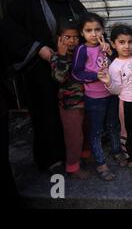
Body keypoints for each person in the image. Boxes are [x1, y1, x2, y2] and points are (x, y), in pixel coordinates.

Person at [1, 0, 86, 171]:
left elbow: (85, 21)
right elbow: (9, 29)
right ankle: (51, 158)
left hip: (68, 67)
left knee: (70, 110)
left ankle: (72, 156)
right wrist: (38, 49)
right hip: (40, 70)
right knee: (47, 112)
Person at [72, 12, 123, 181]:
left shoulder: (106, 45)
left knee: (113, 124)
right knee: (96, 130)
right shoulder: (82, 49)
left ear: (102, 30)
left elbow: (116, 64)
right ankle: (101, 163)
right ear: (82, 33)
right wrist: (95, 76)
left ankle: (117, 152)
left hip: (111, 92)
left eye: (97, 29)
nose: (94, 34)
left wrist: (110, 52)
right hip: (94, 98)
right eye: (88, 30)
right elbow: (76, 73)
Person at [98, 24, 132, 178]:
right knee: (127, 134)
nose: (127, 46)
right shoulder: (114, 66)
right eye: (122, 42)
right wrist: (108, 82)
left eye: (130, 42)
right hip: (128, 104)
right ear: (113, 43)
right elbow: (116, 91)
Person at [50, 19, 89, 179]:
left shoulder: (82, 51)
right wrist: (62, 55)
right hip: (69, 104)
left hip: (86, 100)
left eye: (75, 37)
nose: (72, 40)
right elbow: (59, 77)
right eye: (67, 37)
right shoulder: (57, 56)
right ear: (59, 38)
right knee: (74, 136)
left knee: (87, 130)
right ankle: (72, 167)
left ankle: (85, 155)